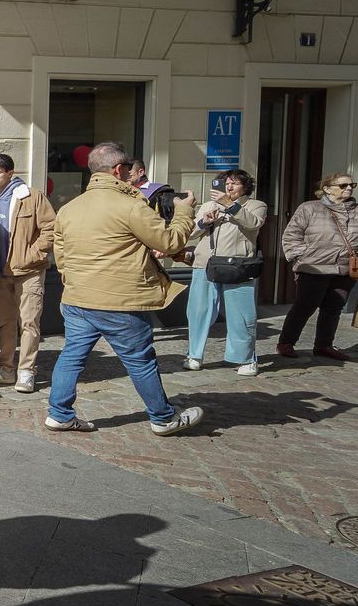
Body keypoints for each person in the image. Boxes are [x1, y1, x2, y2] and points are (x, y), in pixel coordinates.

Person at [47, 142, 203, 436]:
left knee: (71, 356)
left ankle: (59, 414)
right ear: (119, 170)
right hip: (119, 301)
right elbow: (169, 242)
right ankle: (163, 417)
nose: (132, 175)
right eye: (129, 170)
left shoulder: (69, 208)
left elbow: (62, 257)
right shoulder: (130, 205)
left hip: (78, 297)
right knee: (141, 360)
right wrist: (184, 212)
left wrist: (74, 283)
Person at [0, 153, 56, 394]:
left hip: (28, 271)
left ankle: (27, 371)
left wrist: (33, 255)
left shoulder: (31, 197)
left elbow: (51, 229)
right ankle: (6, 368)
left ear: (10, 173)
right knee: (5, 323)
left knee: (29, 322)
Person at [185, 169, 267, 375]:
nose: (229, 187)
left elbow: (253, 224)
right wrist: (205, 221)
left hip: (238, 265)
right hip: (205, 263)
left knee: (241, 314)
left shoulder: (256, 205)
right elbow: (191, 232)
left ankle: (245, 359)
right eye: (226, 183)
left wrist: (230, 206)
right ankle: (194, 355)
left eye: (234, 183)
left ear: (245, 187)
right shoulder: (209, 205)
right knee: (198, 311)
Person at [277, 171, 358, 362]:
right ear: (327, 189)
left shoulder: (356, 210)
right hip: (314, 267)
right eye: (343, 185)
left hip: (345, 269)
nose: (348, 188)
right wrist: (299, 257)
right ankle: (286, 342)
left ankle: (323, 345)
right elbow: (291, 235)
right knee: (305, 306)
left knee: (333, 308)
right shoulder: (309, 208)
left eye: (351, 185)